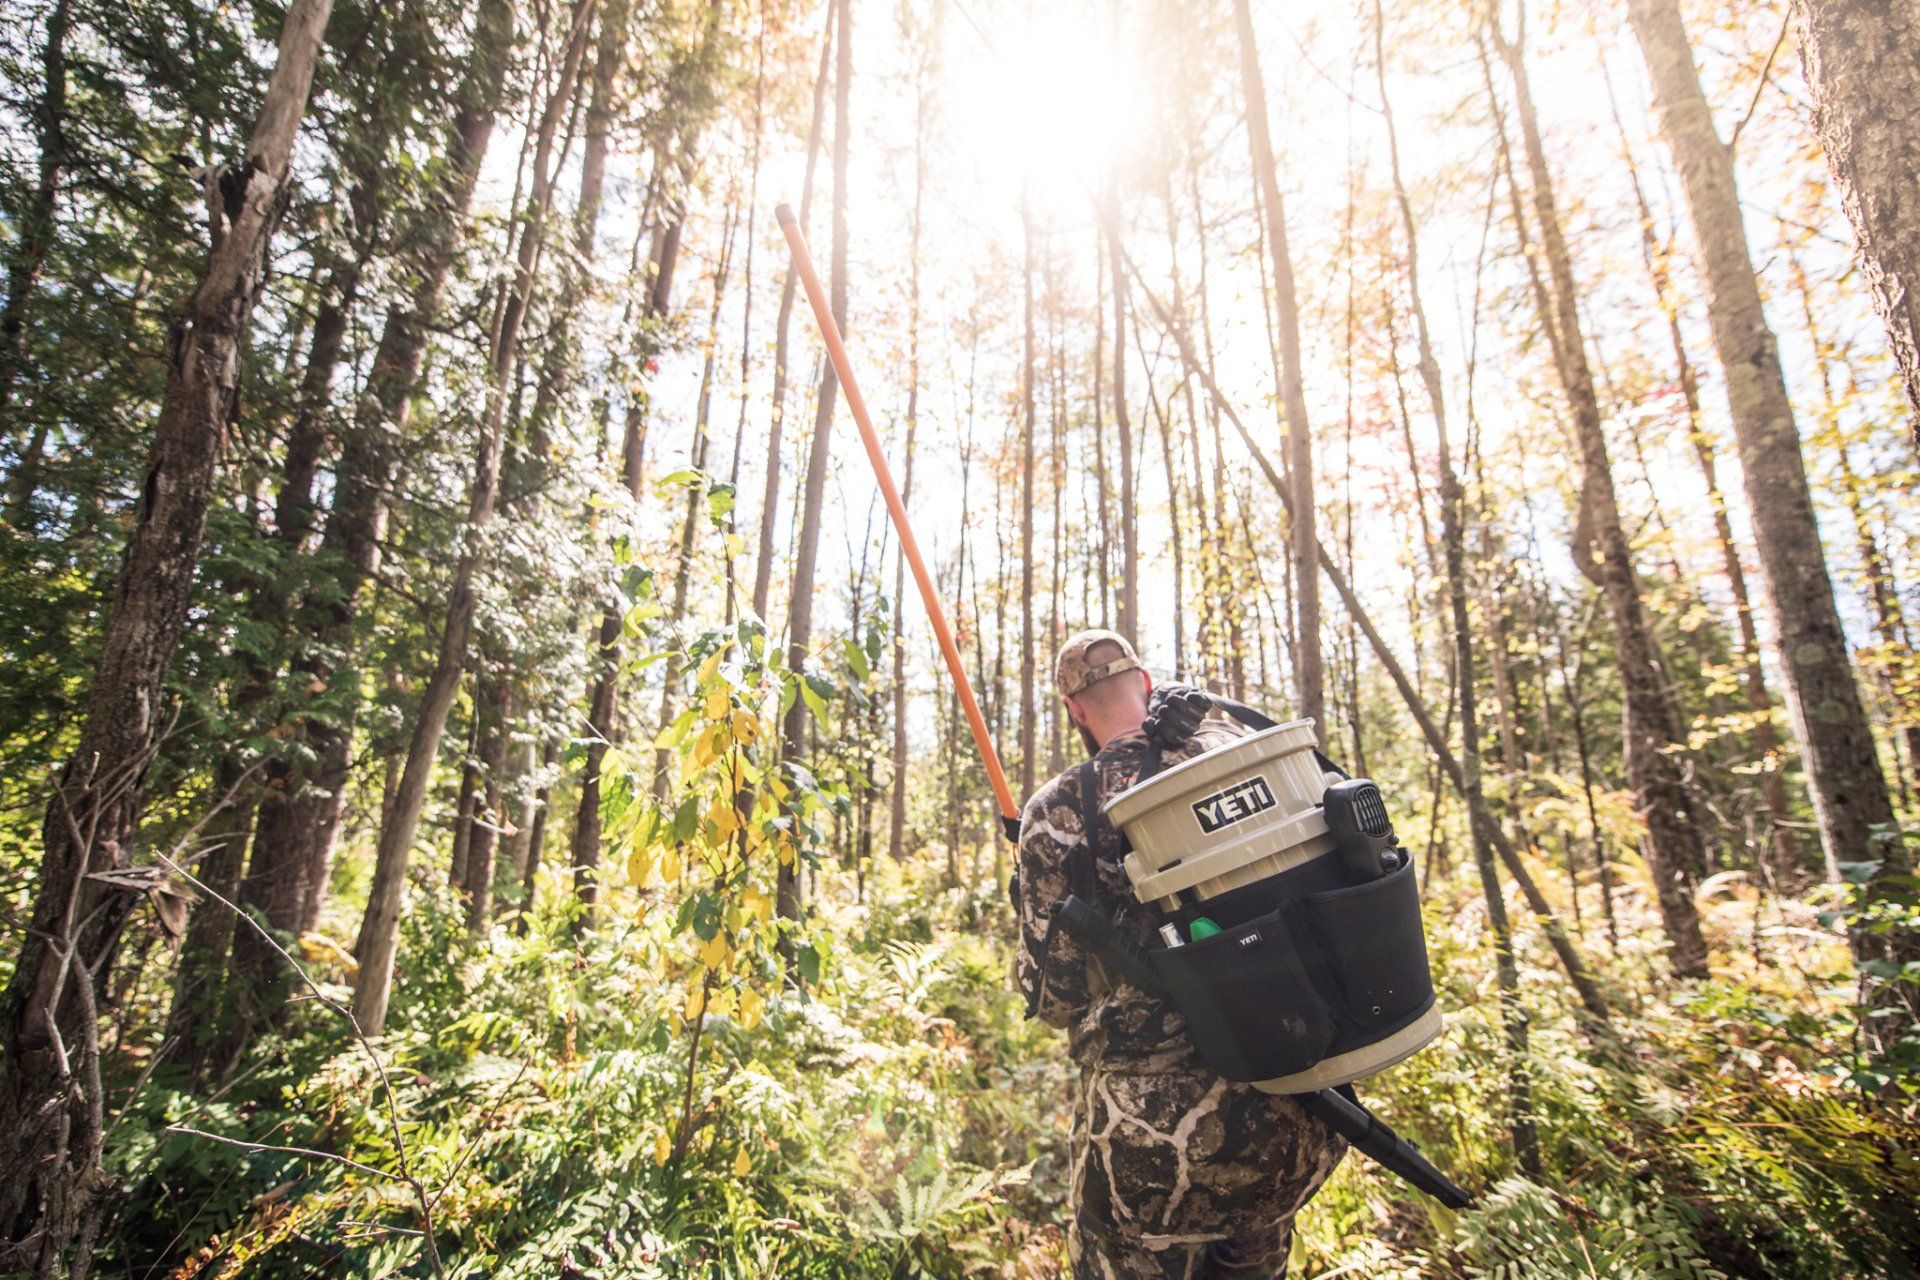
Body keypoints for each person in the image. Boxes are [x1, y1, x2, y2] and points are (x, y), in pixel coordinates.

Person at [1015, 629, 1344, 1280]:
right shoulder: (1247, 754)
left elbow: (1052, 999)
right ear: (1146, 684)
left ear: (1077, 711)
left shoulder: (1058, 812)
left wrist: (1039, 875)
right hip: (1300, 1112)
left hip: (1156, 1148)